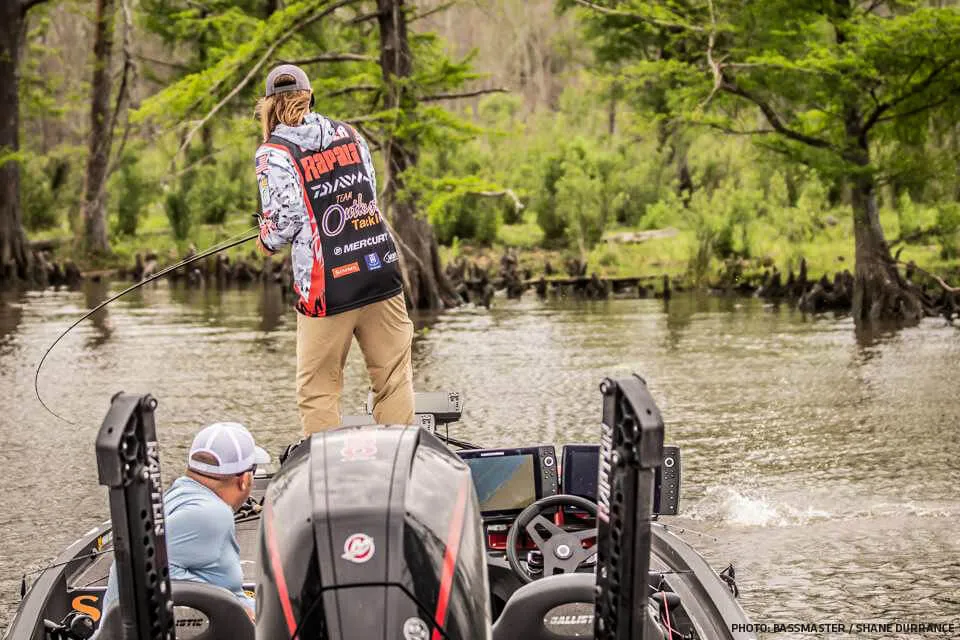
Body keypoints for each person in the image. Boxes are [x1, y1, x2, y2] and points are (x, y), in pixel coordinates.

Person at [253, 63, 415, 433]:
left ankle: (327, 483)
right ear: (310, 98)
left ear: (269, 106)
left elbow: (286, 223)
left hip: (328, 289)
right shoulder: (351, 134)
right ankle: (400, 471)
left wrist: (265, 236)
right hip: (379, 273)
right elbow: (369, 192)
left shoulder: (272, 153)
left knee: (319, 392)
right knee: (392, 380)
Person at [99, 422, 270, 622]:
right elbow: (147, 569)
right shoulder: (213, 514)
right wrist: (235, 607)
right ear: (244, 479)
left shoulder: (176, 495)